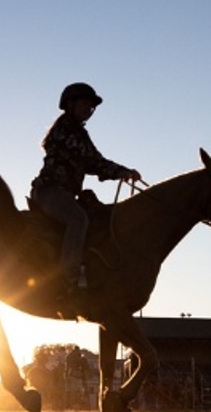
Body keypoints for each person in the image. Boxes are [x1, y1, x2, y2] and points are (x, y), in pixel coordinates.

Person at [30, 82, 142, 298]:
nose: (89, 109)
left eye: (92, 106)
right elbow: (92, 161)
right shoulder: (64, 130)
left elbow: (93, 161)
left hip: (65, 194)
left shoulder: (79, 133)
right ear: (69, 104)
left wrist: (120, 171)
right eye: (85, 103)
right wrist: (121, 171)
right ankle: (67, 280)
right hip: (49, 192)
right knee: (78, 220)